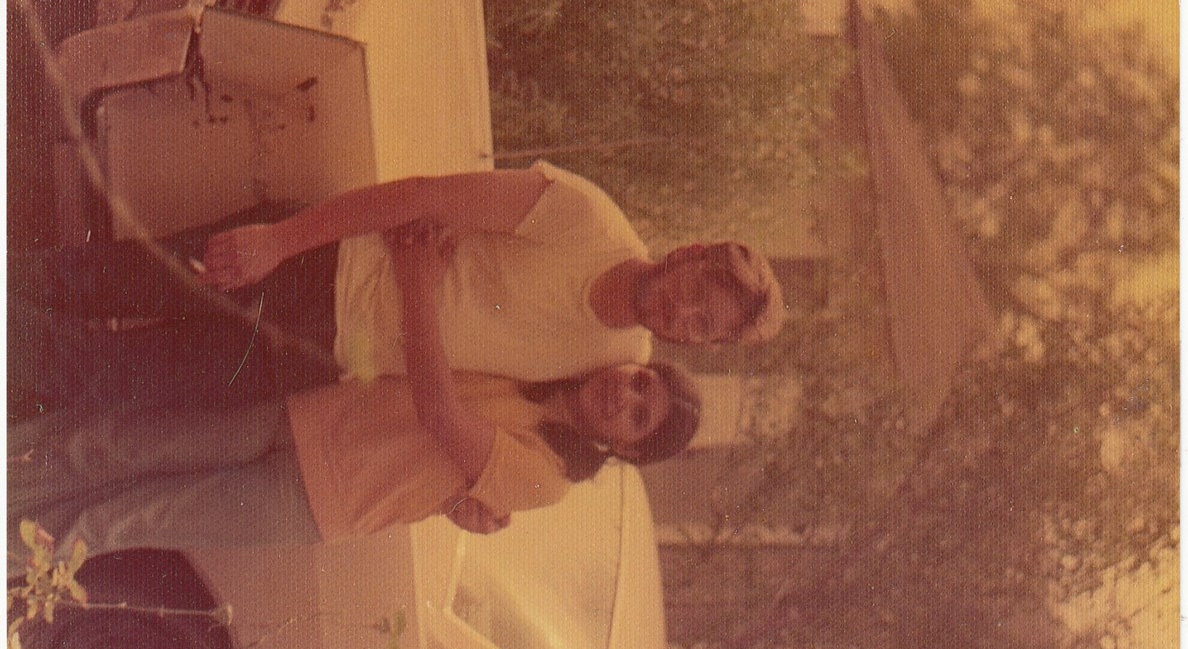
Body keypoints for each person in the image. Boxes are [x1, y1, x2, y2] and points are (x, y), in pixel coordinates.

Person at [9, 226, 702, 563]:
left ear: (624, 448)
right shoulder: (536, 370)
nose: (626, 398)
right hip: (305, 410)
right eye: (641, 383)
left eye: (639, 419)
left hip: (314, 499)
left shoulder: (550, 480)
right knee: (112, 445)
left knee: (125, 522)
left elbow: (438, 412)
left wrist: (416, 280)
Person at [10, 163, 786, 415]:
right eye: (697, 292)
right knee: (89, 281)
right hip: (318, 263)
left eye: (704, 326)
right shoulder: (585, 217)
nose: (684, 314)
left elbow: (538, 425)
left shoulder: (623, 363)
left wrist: (477, 496)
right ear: (689, 254)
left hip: (323, 359)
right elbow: (420, 197)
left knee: (102, 377)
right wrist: (278, 241)